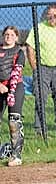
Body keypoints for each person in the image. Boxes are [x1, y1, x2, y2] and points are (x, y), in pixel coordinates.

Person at [26, 5, 56, 137]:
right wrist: (35, 68)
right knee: (41, 99)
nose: (52, 18)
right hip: (43, 68)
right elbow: (30, 48)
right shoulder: (39, 28)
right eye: (50, 15)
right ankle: (40, 130)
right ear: (46, 15)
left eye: (55, 15)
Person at [0, 26, 25, 167]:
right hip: (0, 87)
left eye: (11, 34)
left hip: (15, 88)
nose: (8, 37)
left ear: (16, 37)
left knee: (13, 121)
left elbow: (16, 72)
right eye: (6, 34)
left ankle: (16, 155)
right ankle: (3, 150)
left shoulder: (19, 52)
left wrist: (10, 92)